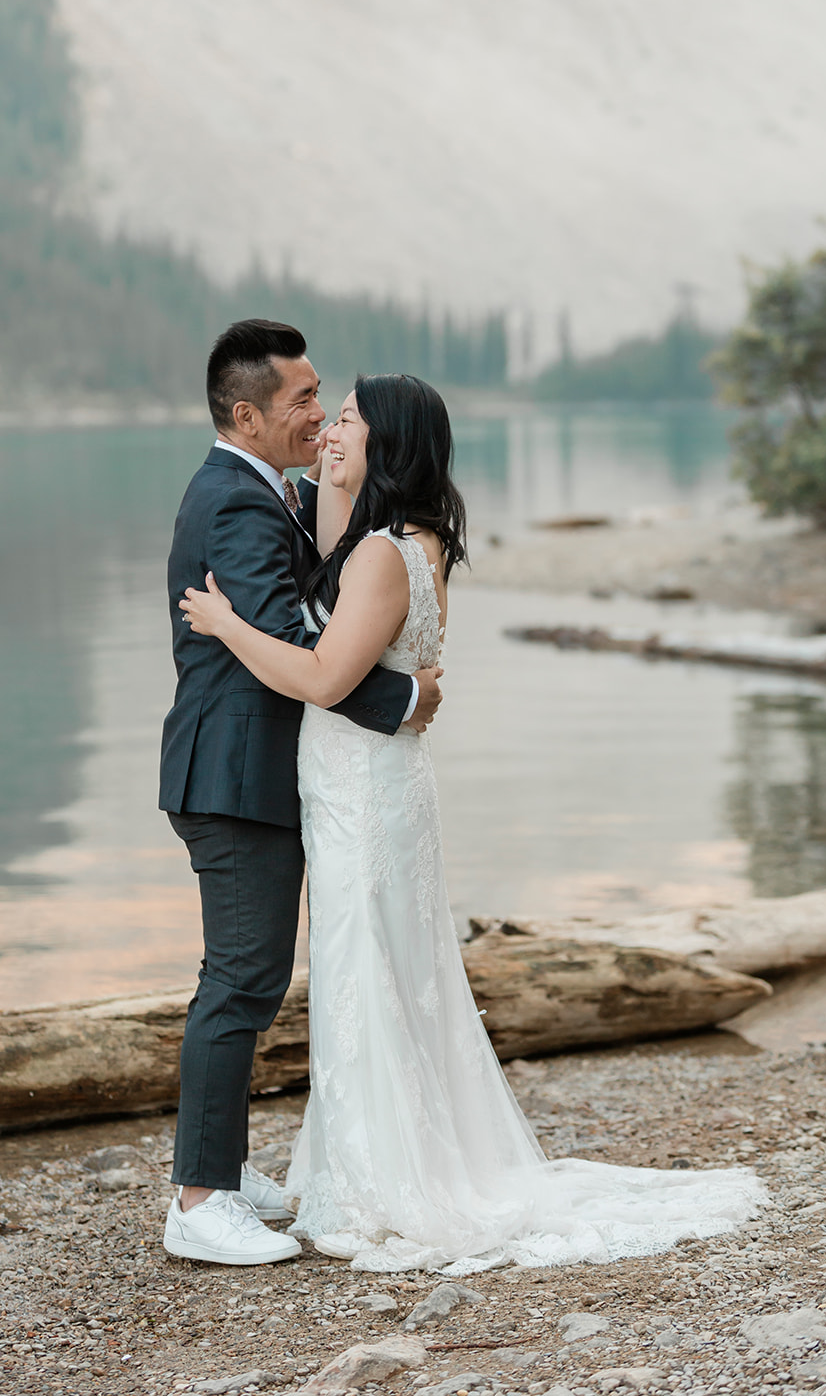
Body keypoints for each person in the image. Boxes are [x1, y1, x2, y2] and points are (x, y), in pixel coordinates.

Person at [179, 372, 767, 1274]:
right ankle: (333, 1159)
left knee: (365, 965)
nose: (329, 424)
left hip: (363, 792)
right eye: (319, 409)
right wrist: (405, 676)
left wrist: (223, 622)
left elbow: (320, 675)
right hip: (372, 784)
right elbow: (343, 589)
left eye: (344, 418)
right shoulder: (408, 537)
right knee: (376, 964)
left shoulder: (385, 552)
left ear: (387, 440)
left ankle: (361, 1171)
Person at [159, 321, 444, 1267]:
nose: (319, 415)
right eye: (302, 401)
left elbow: (326, 593)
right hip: (232, 776)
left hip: (264, 774)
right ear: (246, 414)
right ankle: (198, 1201)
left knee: (255, 977)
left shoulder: (268, 490)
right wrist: (401, 696)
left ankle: (225, 1169)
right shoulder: (234, 503)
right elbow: (303, 648)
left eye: (327, 398)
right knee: (240, 978)